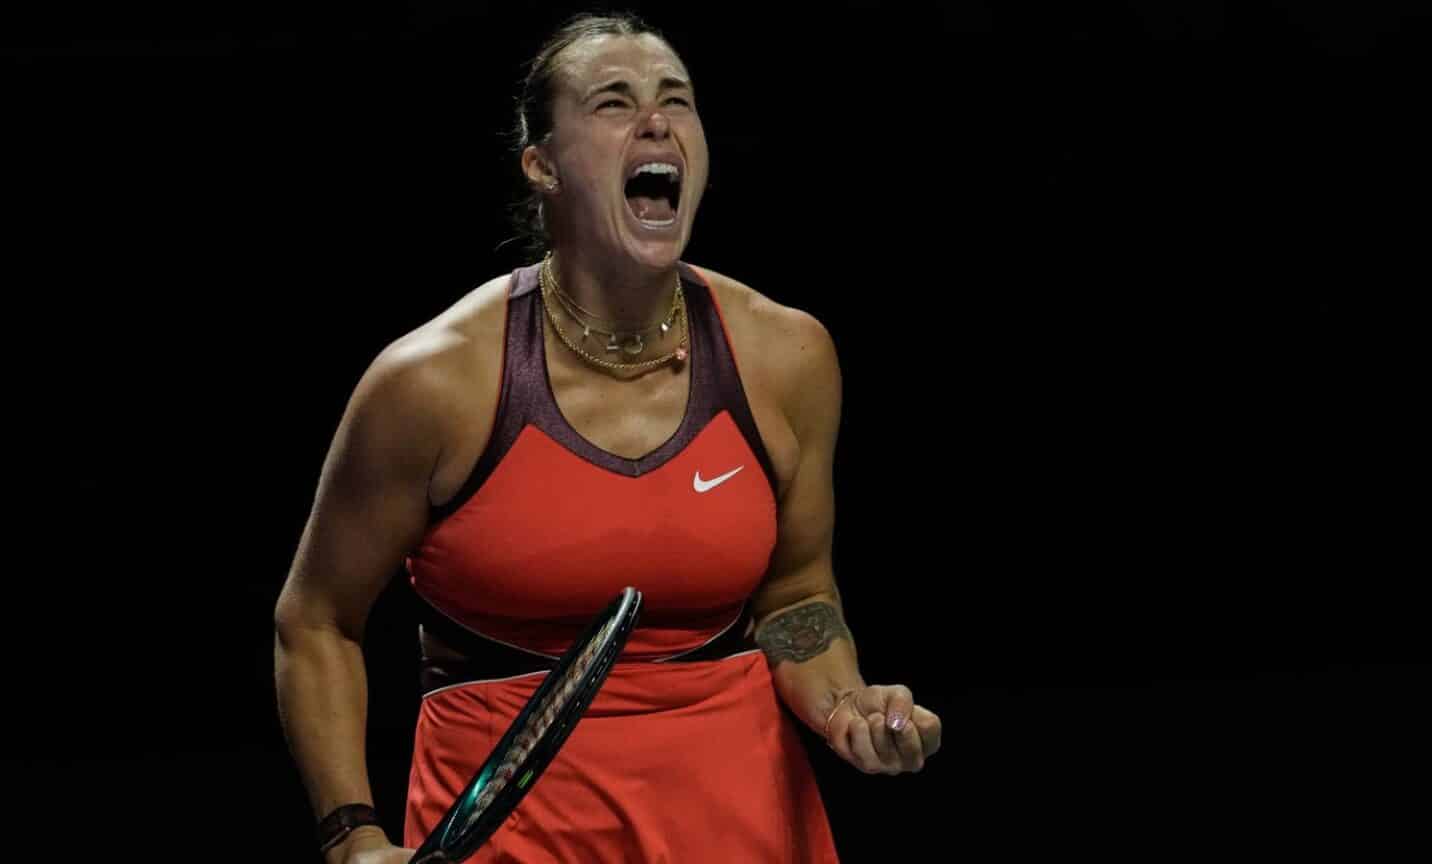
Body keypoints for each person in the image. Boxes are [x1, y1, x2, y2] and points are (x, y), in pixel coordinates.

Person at [274, 12, 941, 863]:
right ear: (542, 164)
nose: (656, 122)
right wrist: (352, 837)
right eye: (613, 102)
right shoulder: (433, 382)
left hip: (742, 819)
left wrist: (846, 704)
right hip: (513, 834)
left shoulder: (787, 356)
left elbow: (796, 595)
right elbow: (317, 621)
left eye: (677, 100)